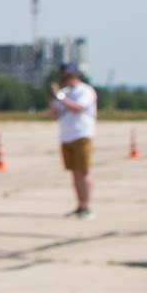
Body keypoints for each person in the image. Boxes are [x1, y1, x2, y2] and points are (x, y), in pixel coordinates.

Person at [48, 61, 99, 218]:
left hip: (81, 134)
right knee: (74, 172)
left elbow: (77, 108)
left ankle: (86, 205)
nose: (65, 79)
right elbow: (54, 114)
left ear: (75, 75)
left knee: (82, 171)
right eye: (63, 76)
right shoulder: (64, 92)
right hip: (66, 136)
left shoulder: (85, 90)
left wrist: (60, 96)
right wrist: (51, 98)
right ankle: (80, 204)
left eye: (68, 76)